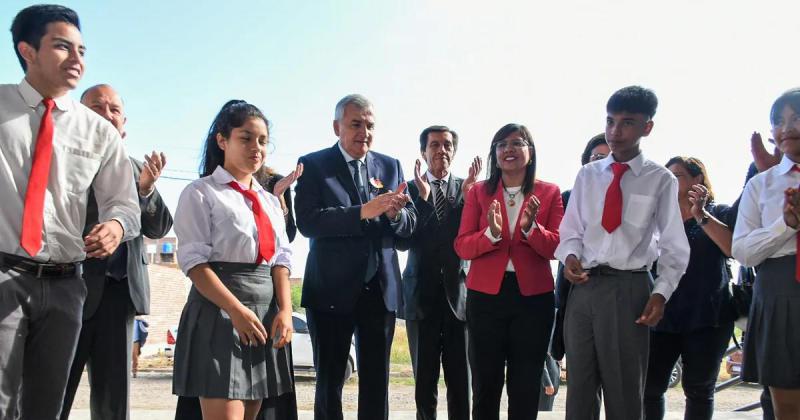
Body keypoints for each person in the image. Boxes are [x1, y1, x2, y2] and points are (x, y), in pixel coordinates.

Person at [0, 5, 141, 419]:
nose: (77, 59)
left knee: (46, 409)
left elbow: (124, 203)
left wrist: (115, 225)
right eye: (63, 47)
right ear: (28, 50)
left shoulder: (98, 131)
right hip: (4, 272)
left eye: (82, 49)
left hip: (66, 287)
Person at [556, 86, 690, 420]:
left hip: (629, 289)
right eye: (610, 121)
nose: (615, 131)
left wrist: (661, 293)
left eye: (627, 123)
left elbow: (675, 247)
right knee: (580, 393)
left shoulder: (660, 180)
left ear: (647, 127)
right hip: (584, 291)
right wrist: (570, 257)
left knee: (624, 392)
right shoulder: (588, 176)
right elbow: (571, 232)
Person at [294, 94, 416, 420]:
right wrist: (362, 212)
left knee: (377, 383)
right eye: (356, 124)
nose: (364, 131)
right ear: (337, 127)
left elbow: (409, 226)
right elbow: (308, 221)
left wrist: (394, 216)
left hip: (380, 291)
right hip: (331, 293)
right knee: (330, 382)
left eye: (370, 125)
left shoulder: (390, 166)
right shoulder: (313, 165)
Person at [172, 100, 296, 420]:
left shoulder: (270, 201)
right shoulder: (200, 193)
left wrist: (284, 309)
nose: (256, 148)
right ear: (222, 140)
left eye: (263, 141)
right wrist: (235, 310)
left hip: (263, 316)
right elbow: (195, 264)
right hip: (220, 312)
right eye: (246, 138)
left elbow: (281, 260)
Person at [59, 83, 173, 420]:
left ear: (124, 124)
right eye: (97, 107)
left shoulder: (139, 169)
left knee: (114, 400)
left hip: (118, 296)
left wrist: (147, 190)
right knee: (51, 391)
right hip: (67, 289)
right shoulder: (61, 162)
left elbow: (159, 228)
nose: (107, 115)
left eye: (114, 110)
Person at [454, 123, 562, 420]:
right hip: (486, 298)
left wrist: (531, 229)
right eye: (501, 144)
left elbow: (557, 247)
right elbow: (462, 246)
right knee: (486, 384)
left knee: (526, 386)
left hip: (533, 300)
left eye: (516, 143)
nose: (508, 149)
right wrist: (490, 234)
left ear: (530, 150)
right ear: (494, 153)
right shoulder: (478, 192)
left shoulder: (549, 192)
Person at [396, 125, 481, 420]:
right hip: (421, 298)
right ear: (423, 152)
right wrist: (422, 198)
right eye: (434, 145)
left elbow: (468, 238)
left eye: (447, 145)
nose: (440, 150)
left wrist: (469, 198)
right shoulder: (408, 189)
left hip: (459, 299)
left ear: (453, 152)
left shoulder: (469, 189)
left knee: (461, 381)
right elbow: (403, 241)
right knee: (424, 381)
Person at [643, 156, 738, 419]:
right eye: (666, 175)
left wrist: (701, 215)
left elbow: (731, 248)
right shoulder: (656, 219)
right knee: (650, 388)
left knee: (698, 390)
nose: (669, 180)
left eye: (677, 175)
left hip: (708, 317)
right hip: (662, 316)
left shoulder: (718, 213)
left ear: (697, 179)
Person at [732, 87, 800, 419]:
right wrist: (785, 226)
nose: (787, 127)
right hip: (780, 292)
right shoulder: (762, 184)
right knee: (786, 405)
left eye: (797, 117)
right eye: (778, 120)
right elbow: (742, 251)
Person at [552, 133, 609, 360]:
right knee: (581, 371)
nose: (600, 162)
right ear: (585, 162)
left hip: (618, 289)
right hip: (576, 287)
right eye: (595, 157)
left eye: (607, 157)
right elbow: (560, 238)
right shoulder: (568, 197)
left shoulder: (633, 196)